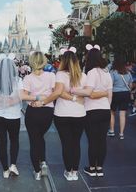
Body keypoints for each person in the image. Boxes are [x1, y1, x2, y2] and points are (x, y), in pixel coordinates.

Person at [35, 47, 87, 181]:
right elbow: (87, 93)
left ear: (63, 61)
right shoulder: (83, 75)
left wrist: (44, 102)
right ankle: (75, 172)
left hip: (62, 114)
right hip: (79, 113)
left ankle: (68, 171)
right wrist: (75, 96)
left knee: (66, 143)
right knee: (76, 143)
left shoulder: (60, 75)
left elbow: (58, 92)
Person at [0, 54, 39, 179]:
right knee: (14, 140)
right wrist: (11, 101)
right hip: (13, 116)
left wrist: (1, 101)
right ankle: (13, 165)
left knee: (2, 142)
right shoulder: (18, 80)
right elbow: (20, 97)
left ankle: (5, 170)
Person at [71, 44, 112, 177]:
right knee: (102, 140)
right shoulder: (107, 73)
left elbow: (90, 93)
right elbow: (109, 94)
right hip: (105, 110)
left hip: (92, 110)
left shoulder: (91, 73)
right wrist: (106, 100)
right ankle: (99, 168)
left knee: (93, 140)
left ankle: (92, 167)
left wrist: (74, 90)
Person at [22, 51, 55, 180]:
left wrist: (35, 99)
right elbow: (54, 94)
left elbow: (23, 96)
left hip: (33, 111)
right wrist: (43, 101)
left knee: (34, 140)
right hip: (47, 112)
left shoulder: (28, 78)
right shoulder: (51, 76)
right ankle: (43, 161)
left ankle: (37, 171)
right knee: (40, 137)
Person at [108, 56, 133, 139]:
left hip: (115, 94)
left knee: (112, 112)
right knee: (122, 114)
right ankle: (121, 134)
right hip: (125, 94)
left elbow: (110, 84)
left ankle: (112, 131)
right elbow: (130, 85)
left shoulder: (113, 72)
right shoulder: (128, 73)